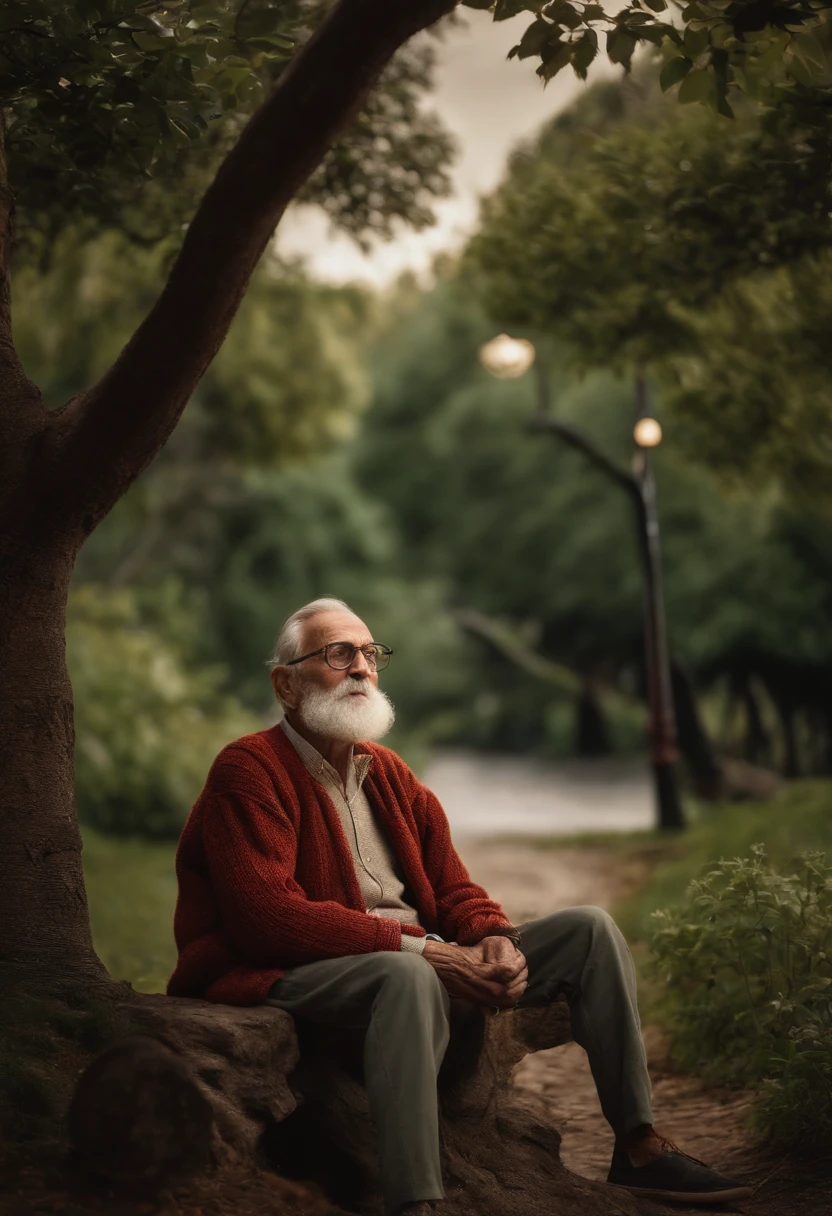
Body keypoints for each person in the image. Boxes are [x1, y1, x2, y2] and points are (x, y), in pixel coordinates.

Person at [168, 597, 753, 1216]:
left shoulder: (388, 773)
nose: (363, 668)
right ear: (285, 684)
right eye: (339, 655)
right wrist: (427, 952)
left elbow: (453, 889)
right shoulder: (249, 770)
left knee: (589, 931)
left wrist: (493, 936)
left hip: (413, 964)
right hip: (296, 974)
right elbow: (268, 919)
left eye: (370, 654)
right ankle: (416, 1200)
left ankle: (639, 1150)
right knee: (407, 974)